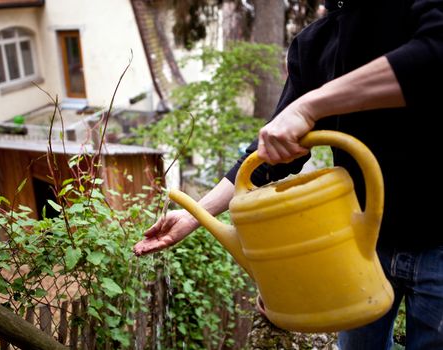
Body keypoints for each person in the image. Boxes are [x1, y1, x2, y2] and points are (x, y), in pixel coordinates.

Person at [134, 0, 443, 348]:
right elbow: (270, 152)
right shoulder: (315, 43)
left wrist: (310, 104)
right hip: (360, 245)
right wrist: (196, 214)